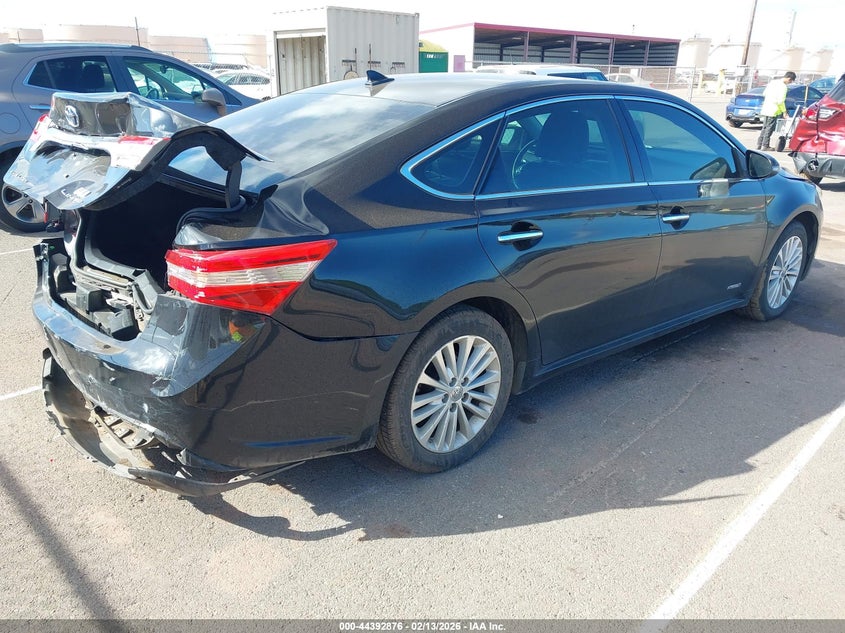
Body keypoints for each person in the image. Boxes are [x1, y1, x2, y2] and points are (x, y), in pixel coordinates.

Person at [757, 71, 797, 151]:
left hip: (766, 108)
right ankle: (765, 145)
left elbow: (764, 93)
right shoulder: (783, 87)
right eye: (790, 81)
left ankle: (759, 144)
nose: (790, 83)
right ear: (789, 79)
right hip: (774, 110)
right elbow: (781, 101)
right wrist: (784, 112)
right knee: (769, 128)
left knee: (764, 127)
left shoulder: (773, 83)